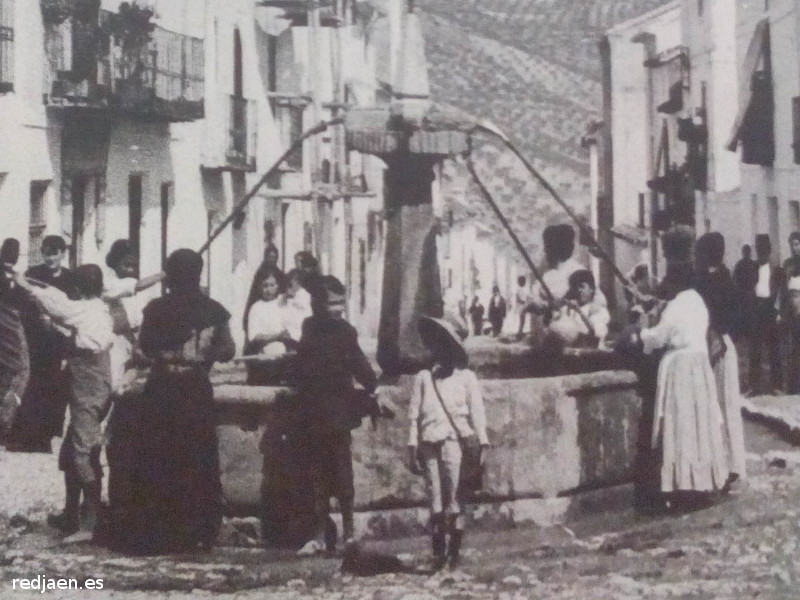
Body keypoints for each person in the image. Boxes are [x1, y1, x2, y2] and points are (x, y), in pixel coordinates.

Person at [111, 249, 235, 555]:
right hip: (194, 388)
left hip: (163, 388)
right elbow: (228, 350)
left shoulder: (156, 309)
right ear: (198, 274)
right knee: (197, 457)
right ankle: (198, 530)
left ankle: (159, 530)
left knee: (160, 457)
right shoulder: (215, 311)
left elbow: (146, 347)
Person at [15, 265, 114, 540]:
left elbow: (57, 305)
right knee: (71, 452)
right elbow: (60, 301)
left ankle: (90, 524)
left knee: (83, 453)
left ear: (80, 289)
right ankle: (71, 513)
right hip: (93, 384)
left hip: (89, 386)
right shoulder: (96, 308)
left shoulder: (84, 310)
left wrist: (24, 284)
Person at [630, 256, 728, 509]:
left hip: (681, 368)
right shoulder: (697, 301)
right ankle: (702, 480)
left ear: (676, 283)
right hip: (700, 364)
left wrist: (641, 330)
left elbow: (660, 337)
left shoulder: (676, 306)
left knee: (681, 422)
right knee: (699, 423)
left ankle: (683, 486)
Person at [292, 275, 377, 556]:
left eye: (341, 302)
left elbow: (358, 362)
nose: (338, 308)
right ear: (317, 304)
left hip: (338, 412)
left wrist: (371, 382)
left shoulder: (347, 332)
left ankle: (350, 533)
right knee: (316, 477)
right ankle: (318, 535)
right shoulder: (309, 328)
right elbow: (301, 364)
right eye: (332, 303)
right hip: (314, 412)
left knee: (342, 474)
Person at [408, 315, 489, 570]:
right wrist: (412, 446)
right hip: (428, 442)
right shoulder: (423, 377)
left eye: (448, 344)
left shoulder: (467, 378)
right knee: (434, 499)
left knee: (455, 498)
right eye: (439, 344)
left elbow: (477, 413)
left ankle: (453, 554)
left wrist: (483, 444)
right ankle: (438, 553)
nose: (442, 350)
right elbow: (414, 414)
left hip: (455, 441)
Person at [7, 235, 79, 453]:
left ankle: (48, 432)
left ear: (62, 254)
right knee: (36, 381)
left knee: (58, 384)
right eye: (46, 253)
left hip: (60, 338)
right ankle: (31, 436)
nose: (50, 258)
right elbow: (20, 301)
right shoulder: (32, 275)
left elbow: (74, 307)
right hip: (36, 336)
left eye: (54, 253)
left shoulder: (70, 278)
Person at [694, 232, 747, 483]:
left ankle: (730, 465)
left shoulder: (717, 281)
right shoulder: (717, 279)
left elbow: (731, 319)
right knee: (720, 407)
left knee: (722, 406)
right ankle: (725, 463)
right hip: (716, 345)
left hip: (720, 347)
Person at [102, 239, 163, 395]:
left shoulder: (138, 285)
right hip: (115, 342)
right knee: (114, 387)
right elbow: (137, 286)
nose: (130, 269)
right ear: (114, 263)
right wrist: (164, 274)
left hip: (135, 340)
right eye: (125, 265)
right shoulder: (108, 283)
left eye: (133, 265)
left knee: (130, 386)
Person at [530, 224, 607, 320]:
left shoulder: (578, 271)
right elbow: (535, 298)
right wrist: (542, 305)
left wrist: (571, 306)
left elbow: (600, 301)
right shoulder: (547, 275)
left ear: (556, 247)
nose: (545, 251)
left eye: (547, 246)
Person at [748, 234, 784, 395]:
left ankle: (777, 385)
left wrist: (778, 312)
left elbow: (781, 293)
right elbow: (748, 289)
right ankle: (754, 386)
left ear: (768, 251)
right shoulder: (752, 268)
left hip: (770, 310)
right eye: (758, 249)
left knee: (774, 349)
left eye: (763, 250)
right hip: (756, 310)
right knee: (754, 349)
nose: (761, 253)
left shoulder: (777, 269)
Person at [549, 269, 610, 348]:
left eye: (582, 286)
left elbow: (596, 333)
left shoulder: (599, 310)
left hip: (591, 354)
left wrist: (579, 311)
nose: (579, 290)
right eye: (575, 287)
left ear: (592, 289)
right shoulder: (566, 309)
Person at [243, 244, 285, 339]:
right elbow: (253, 295)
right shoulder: (260, 273)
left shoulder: (279, 274)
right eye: (270, 257)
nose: (272, 259)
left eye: (274, 257)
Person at [782, 232, 800, 393]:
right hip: (791, 311)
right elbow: (783, 289)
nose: (794, 248)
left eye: (797, 244)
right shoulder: (787, 264)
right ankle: (794, 386)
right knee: (793, 348)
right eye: (792, 245)